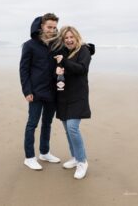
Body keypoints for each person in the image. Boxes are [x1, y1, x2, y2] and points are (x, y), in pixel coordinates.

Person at [19, 13, 62, 170]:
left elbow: (73, 47)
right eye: (49, 27)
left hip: (51, 92)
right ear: (41, 26)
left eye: (54, 27)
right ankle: (29, 157)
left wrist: (88, 49)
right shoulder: (29, 45)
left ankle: (44, 152)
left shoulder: (56, 44)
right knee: (32, 124)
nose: (52, 30)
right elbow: (23, 70)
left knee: (47, 123)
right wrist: (27, 90)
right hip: (35, 92)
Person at [52, 26, 94, 179]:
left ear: (77, 37)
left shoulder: (84, 51)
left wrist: (63, 63)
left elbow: (82, 69)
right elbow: (59, 69)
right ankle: (75, 157)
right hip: (63, 96)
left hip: (78, 96)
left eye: (71, 37)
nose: (69, 40)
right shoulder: (62, 52)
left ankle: (82, 161)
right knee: (67, 129)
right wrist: (56, 71)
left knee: (72, 128)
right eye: (66, 38)